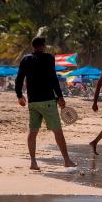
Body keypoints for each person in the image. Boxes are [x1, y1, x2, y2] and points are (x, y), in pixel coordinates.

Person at [15, 36, 76, 170]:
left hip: (33, 102)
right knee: (57, 131)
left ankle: (33, 162)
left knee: (33, 132)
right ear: (43, 46)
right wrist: (60, 97)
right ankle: (66, 160)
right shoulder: (48, 58)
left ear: (33, 46)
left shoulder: (25, 59)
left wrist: (20, 95)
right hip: (47, 100)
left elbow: (19, 79)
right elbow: (53, 79)